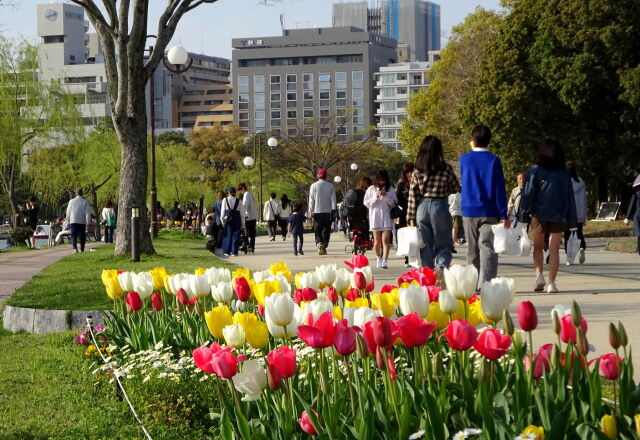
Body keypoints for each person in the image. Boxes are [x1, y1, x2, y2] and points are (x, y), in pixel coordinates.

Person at [519, 139, 577, 293]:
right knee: (554, 248)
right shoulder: (564, 173)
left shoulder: (535, 170)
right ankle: (552, 282)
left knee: (537, 246)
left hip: (539, 213)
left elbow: (528, 193)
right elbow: (569, 196)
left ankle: (539, 275)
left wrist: (523, 213)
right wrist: (572, 219)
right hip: (559, 214)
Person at [459, 125, 510, 287]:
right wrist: (504, 214)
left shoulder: (464, 159)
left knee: (472, 250)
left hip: (468, 209)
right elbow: (499, 188)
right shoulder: (494, 161)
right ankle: (487, 284)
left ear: (473, 140)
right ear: (489, 140)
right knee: (488, 248)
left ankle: (472, 285)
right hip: (489, 210)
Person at [407, 136, 460, 270]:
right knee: (443, 244)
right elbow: (455, 187)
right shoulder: (445, 168)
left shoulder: (417, 170)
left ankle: (427, 274)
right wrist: (444, 189)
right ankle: (441, 268)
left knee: (425, 246)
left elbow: (413, 194)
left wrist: (410, 218)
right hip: (440, 205)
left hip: (422, 207)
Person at [364, 170, 398, 269]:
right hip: (375, 218)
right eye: (380, 180)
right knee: (377, 241)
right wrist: (375, 196)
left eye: (383, 180)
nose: (382, 182)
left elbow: (394, 203)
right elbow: (366, 203)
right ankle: (378, 258)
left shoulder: (390, 189)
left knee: (386, 240)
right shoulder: (371, 189)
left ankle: (385, 260)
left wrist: (386, 196)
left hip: (387, 217)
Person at [308, 169, 336, 255]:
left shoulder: (313, 186)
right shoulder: (330, 186)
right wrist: (333, 209)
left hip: (317, 211)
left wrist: (310, 212)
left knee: (318, 230)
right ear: (326, 176)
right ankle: (324, 244)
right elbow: (333, 199)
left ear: (318, 176)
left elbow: (311, 200)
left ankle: (319, 243)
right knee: (326, 230)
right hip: (328, 212)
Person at [564, 161, 587, 265]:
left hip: (568, 212)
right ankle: (582, 247)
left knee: (568, 234)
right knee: (579, 233)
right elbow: (585, 199)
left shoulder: (565, 182)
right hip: (579, 212)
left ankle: (569, 257)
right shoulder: (581, 181)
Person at [395, 163, 415, 267]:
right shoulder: (401, 185)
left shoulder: (417, 182)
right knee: (406, 236)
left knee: (415, 236)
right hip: (404, 213)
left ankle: (414, 257)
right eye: (407, 172)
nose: (409, 174)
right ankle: (407, 258)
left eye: (410, 171)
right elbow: (397, 198)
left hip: (415, 212)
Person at [220, 187, 246, 257]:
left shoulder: (225, 200)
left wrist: (222, 222)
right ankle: (234, 252)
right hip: (237, 219)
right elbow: (242, 213)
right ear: (235, 193)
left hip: (227, 219)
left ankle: (227, 251)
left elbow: (222, 212)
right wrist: (243, 224)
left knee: (227, 235)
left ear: (228, 193)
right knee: (236, 235)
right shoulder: (239, 201)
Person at [66, 188, 92, 253]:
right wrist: (88, 221)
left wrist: (68, 219)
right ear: (82, 193)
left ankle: (75, 248)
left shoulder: (71, 201)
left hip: (73, 220)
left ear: (76, 193)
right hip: (82, 221)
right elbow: (88, 213)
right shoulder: (85, 202)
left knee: (73, 235)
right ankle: (82, 249)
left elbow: (68, 211)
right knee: (82, 235)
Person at [238, 183, 258, 253]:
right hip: (253, 217)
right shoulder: (251, 194)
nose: (240, 192)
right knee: (252, 233)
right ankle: (252, 246)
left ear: (243, 188)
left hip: (247, 217)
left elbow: (245, 205)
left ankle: (247, 245)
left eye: (240, 190)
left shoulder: (246, 194)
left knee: (245, 232)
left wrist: (241, 212)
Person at [624, 179, 640, 256]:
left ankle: (639, 248)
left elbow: (631, 206)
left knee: (639, 234)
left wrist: (627, 218)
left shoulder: (636, 194)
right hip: (638, 216)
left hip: (638, 216)